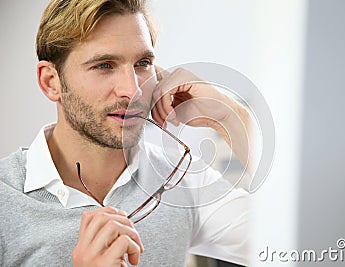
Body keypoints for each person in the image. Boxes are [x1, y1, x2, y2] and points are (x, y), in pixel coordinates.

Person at [0, 0, 255, 266]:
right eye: (104, 65)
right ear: (51, 82)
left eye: (142, 63)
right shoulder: (5, 201)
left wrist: (231, 117)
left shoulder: (179, 179)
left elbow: (295, 244)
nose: (132, 90)